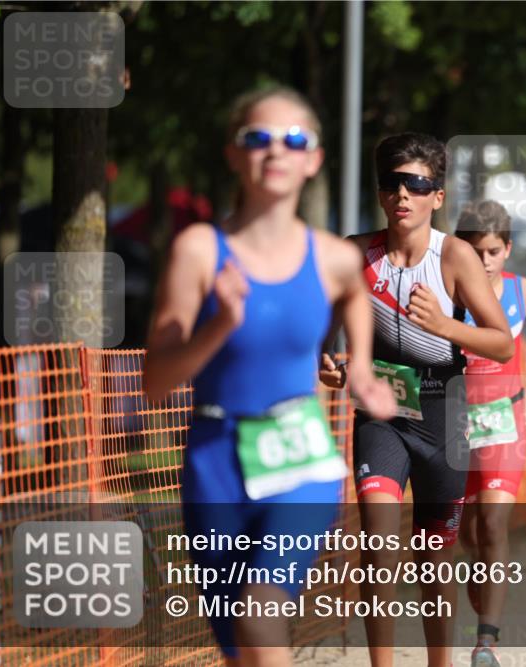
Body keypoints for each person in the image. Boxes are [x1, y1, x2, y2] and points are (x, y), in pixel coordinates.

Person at [142, 86, 395, 666]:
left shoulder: (332, 257)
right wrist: (218, 327)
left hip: (297, 457)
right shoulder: (200, 251)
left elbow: (354, 291)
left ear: (314, 159)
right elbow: (155, 384)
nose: (275, 151)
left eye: (293, 140)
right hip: (215, 462)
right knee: (240, 643)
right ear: (235, 155)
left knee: (260, 610)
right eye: (257, 138)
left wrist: (360, 365)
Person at [319, 133, 514, 667]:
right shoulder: (356, 253)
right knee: (379, 548)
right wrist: (330, 360)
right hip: (381, 415)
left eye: (416, 183)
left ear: (438, 195)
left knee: (434, 560)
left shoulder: (454, 256)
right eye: (392, 183)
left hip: (441, 415)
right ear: (380, 193)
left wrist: (446, 323)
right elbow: (324, 326)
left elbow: (502, 342)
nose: (402, 194)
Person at [453, 200, 526, 667]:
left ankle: (486, 642)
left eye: (493, 251)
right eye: (474, 251)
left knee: (494, 523)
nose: (484, 260)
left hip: (504, 421)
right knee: (470, 534)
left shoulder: (523, 289)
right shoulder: (444, 293)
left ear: (507, 250)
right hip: (454, 425)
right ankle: (481, 574)